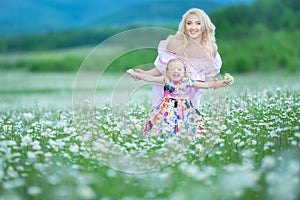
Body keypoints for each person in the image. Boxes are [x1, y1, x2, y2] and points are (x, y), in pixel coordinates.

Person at [129, 8, 222, 108]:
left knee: (189, 120)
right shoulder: (175, 42)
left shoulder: (211, 48)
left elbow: (203, 74)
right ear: (185, 26)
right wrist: (144, 74)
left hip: (190, 93)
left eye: (198, 23)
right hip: (168, 92)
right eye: (189, 23)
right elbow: (162, 68)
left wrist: (214, 83)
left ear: (204, 26)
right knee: (164, 119)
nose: (193, 27)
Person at [127, 58, 229, 138]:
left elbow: (204, 85)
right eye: (172, 69)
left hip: (184, 107)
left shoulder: (188, 81)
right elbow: (150, 78)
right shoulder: (166, 80)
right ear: (167, 71)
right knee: (166, 121)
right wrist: (135, 74)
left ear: (184, 72)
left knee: (187, 120)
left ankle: (187, 137)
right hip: (167, 106)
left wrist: (219, 83)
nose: (176, 71)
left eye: (179, 69)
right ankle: (164, 137)